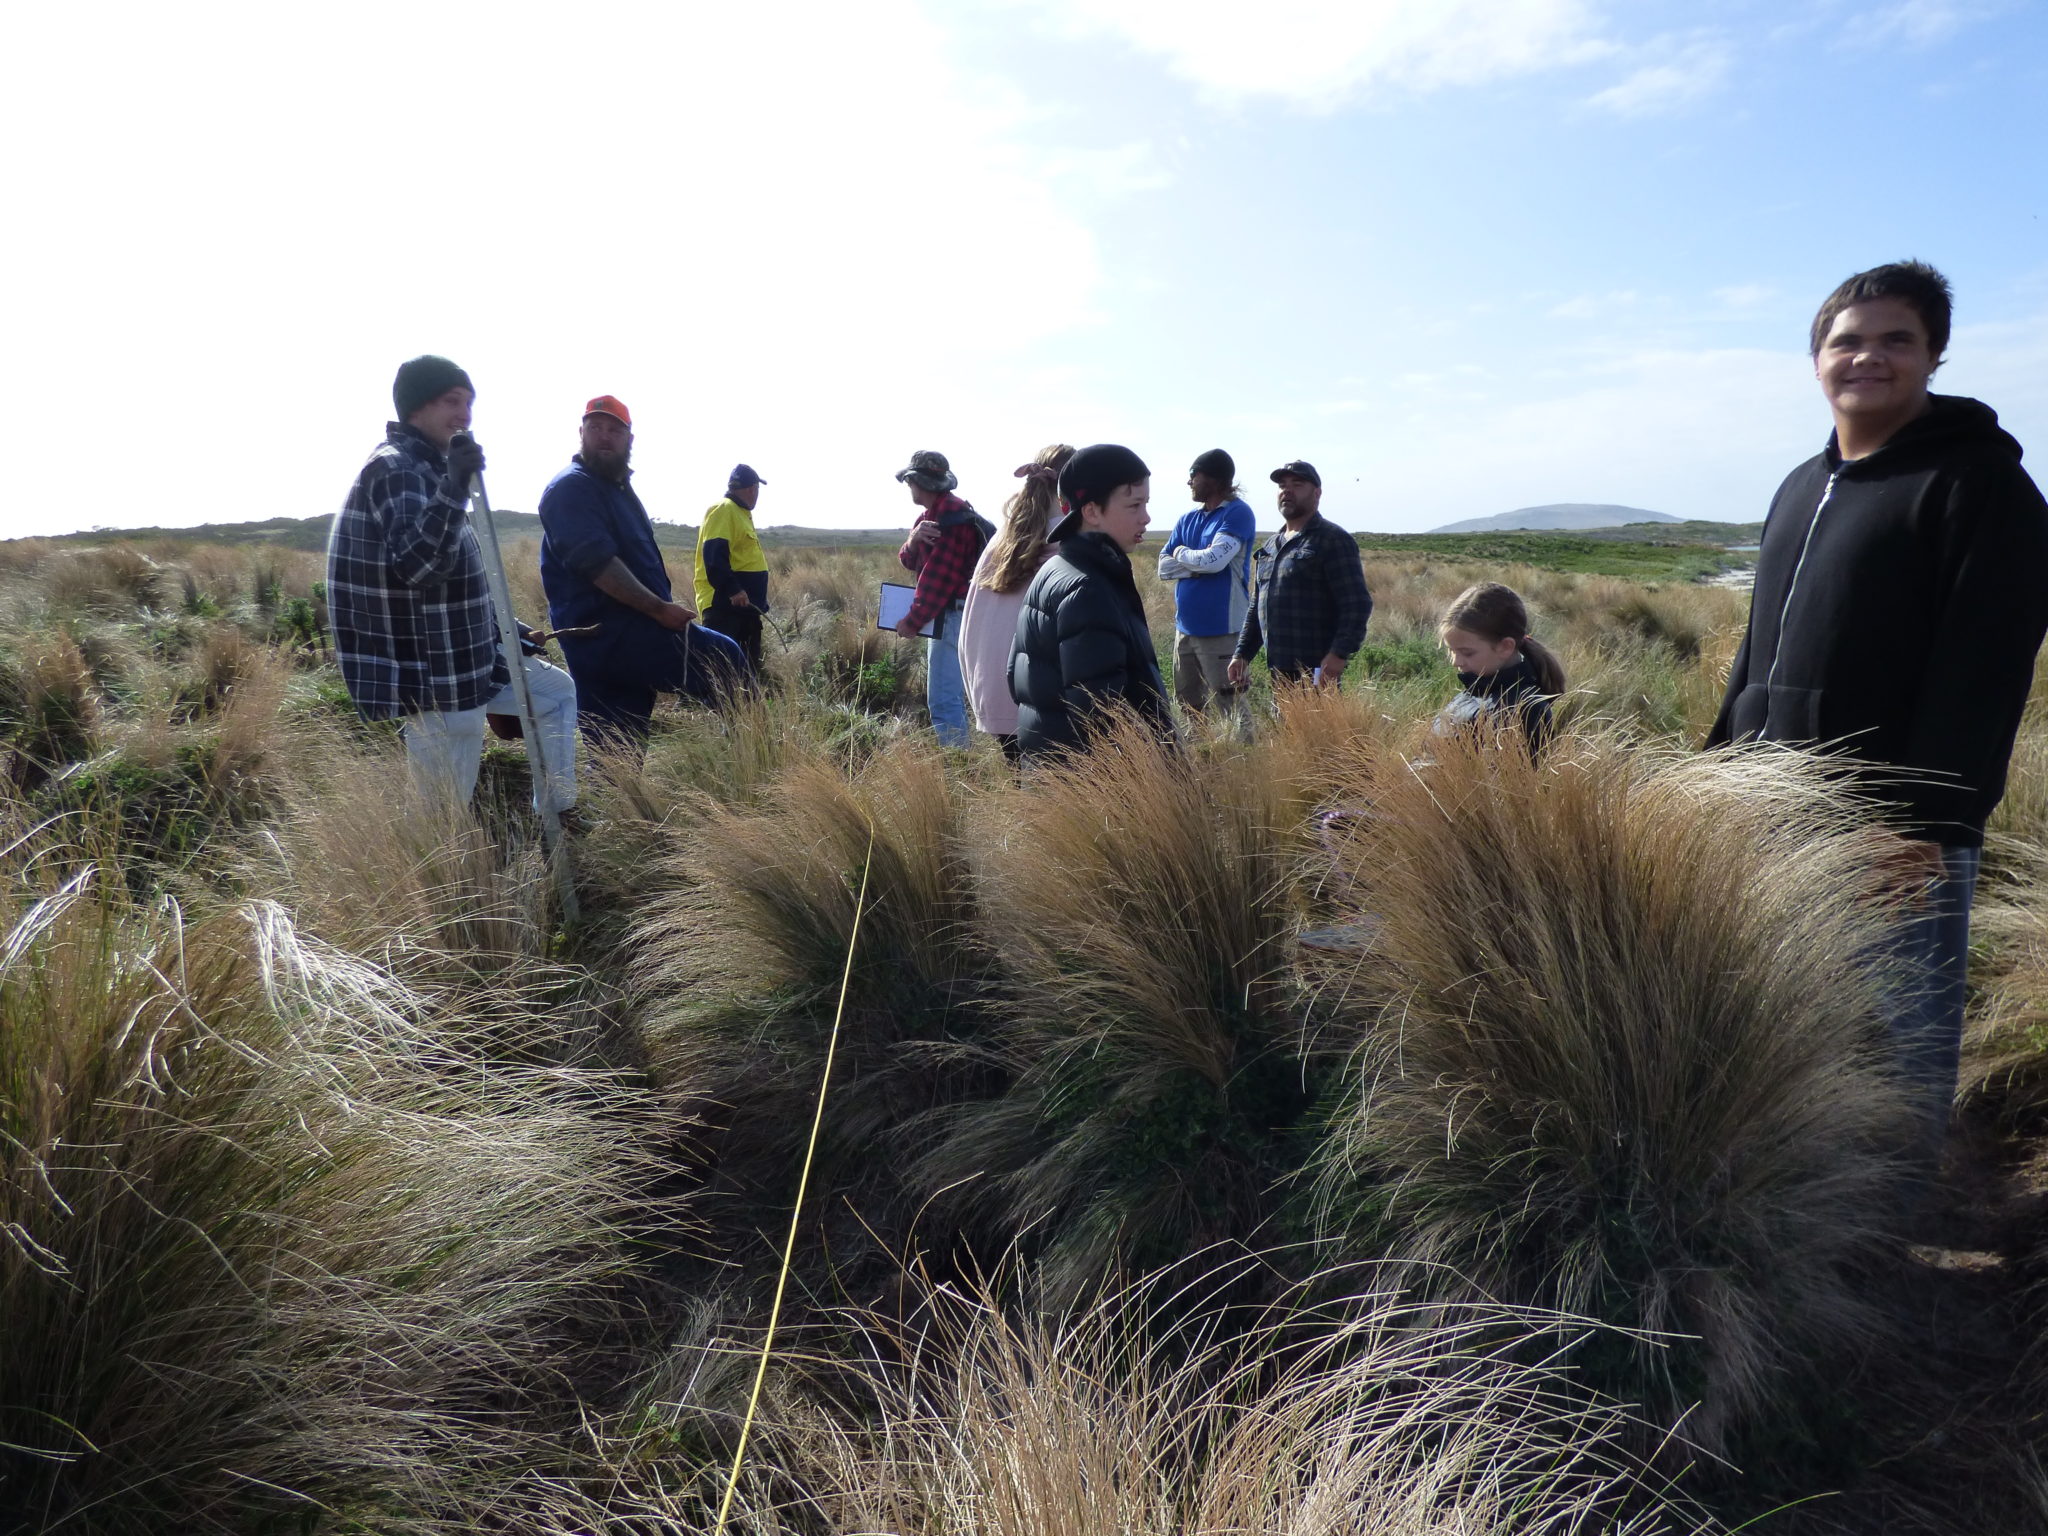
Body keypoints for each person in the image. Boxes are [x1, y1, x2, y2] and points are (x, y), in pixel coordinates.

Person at [1705, 260, 2048, 1152]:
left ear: (1934, 354)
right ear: (1816, 359)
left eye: (1897, 339)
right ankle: (1810, 1205)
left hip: (1892, 826)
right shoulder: (1799, 485)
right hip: (1771, 811)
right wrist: (1711, 779)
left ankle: (1896, 1223)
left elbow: (1985, 670)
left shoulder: (1981, 488)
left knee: (1897, 1033)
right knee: (1791, 1015)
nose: (1869, 357)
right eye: (1847, 341)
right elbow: (1760, 648)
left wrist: (1920, 825)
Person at [328, 354, 580, 818]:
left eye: (469, 403)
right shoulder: (397, 468)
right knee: (440, 814)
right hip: (433, 671)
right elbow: (420, 567)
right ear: (416, 407)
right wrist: (455, 486)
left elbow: (455, 583)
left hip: (468, 654)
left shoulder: (428, 470)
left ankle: (558, 815)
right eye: (452, 401)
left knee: (555, 695)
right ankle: (433, 882)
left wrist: (512, 630)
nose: (465, 414)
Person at [537, 395, 748, 748]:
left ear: (629, 439)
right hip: (613, 635)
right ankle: (756, 759)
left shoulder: (615, 488)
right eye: (595, 428)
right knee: (726, 661)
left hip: (616, 638)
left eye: (614, 430)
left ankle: (619, 802)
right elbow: (598, 564)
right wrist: (660, 610)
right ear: (581, 433)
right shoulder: (572, 488)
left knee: (617, 746)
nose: (604, 436)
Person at [1010, 443, 1175, 761]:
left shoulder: (1055, 569)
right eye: (1134, 505)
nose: (1146, 517)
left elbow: (1014, 677)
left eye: (1146, 504)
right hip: (1099, 792)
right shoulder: (1089, 588)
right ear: (1091, 511)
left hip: (1053, 781)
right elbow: (1101, 717)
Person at [958, 444, 1075, 760]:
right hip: (1037, 698)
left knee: (1022, 784)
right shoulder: (1068, 541)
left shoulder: (1003, 538)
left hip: (991, 690)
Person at [1228, 461, 1372, 692]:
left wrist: (1338, 654)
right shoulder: (1269, 547)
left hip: (1317, 672)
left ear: (1317, 493)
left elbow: (1357, 604)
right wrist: (1242, 654)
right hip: (1277, 671)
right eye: (1282, 485)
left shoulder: (1332, 540)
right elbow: (1257, 607)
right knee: (1284, 727)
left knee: (1320, 728)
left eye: (1297, 484)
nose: (1287, 490)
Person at [893, 450, 993, 749]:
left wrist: (912, 621)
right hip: (958, 613)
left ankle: (958, 765)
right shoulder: (934, 516)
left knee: (943, 698)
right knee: (956, 694)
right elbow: (908, 561)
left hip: (951, 616)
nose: (909, 487)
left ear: (917, 481)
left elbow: (939, 580)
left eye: (910, 481)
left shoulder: (950, 517)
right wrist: (912, 540)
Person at [1157, 448, 1256, 717]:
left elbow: (1214, 561)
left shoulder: (1237, 513)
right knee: (1188, 705)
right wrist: (1195, 567)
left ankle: (1246, 758)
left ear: (1213, 479)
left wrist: (1180, 553)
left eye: (1193, 474)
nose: (1189, 481)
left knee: (1232, 705)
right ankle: (1199, 757)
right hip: (1185, 631)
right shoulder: (1188, 519)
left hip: (1222, 630)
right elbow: (1163, 567)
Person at [1435, 582, 1565, 755]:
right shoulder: (1474, 690)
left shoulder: (1526, 710)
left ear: (1505, 647)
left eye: (1467, 653)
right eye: (1452, 651)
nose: (1456, 662)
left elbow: (1514, 780)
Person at [694, 464, 770, 670]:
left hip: (744, 610)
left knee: (746, 672)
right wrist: (733, 589)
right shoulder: (724, 509)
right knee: (719, 672)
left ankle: (743, 703)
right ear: (752, 489)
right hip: (724, 609)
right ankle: (705, 703)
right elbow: (713, 557)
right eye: (756, 489)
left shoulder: (740, 513)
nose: (756, 494)